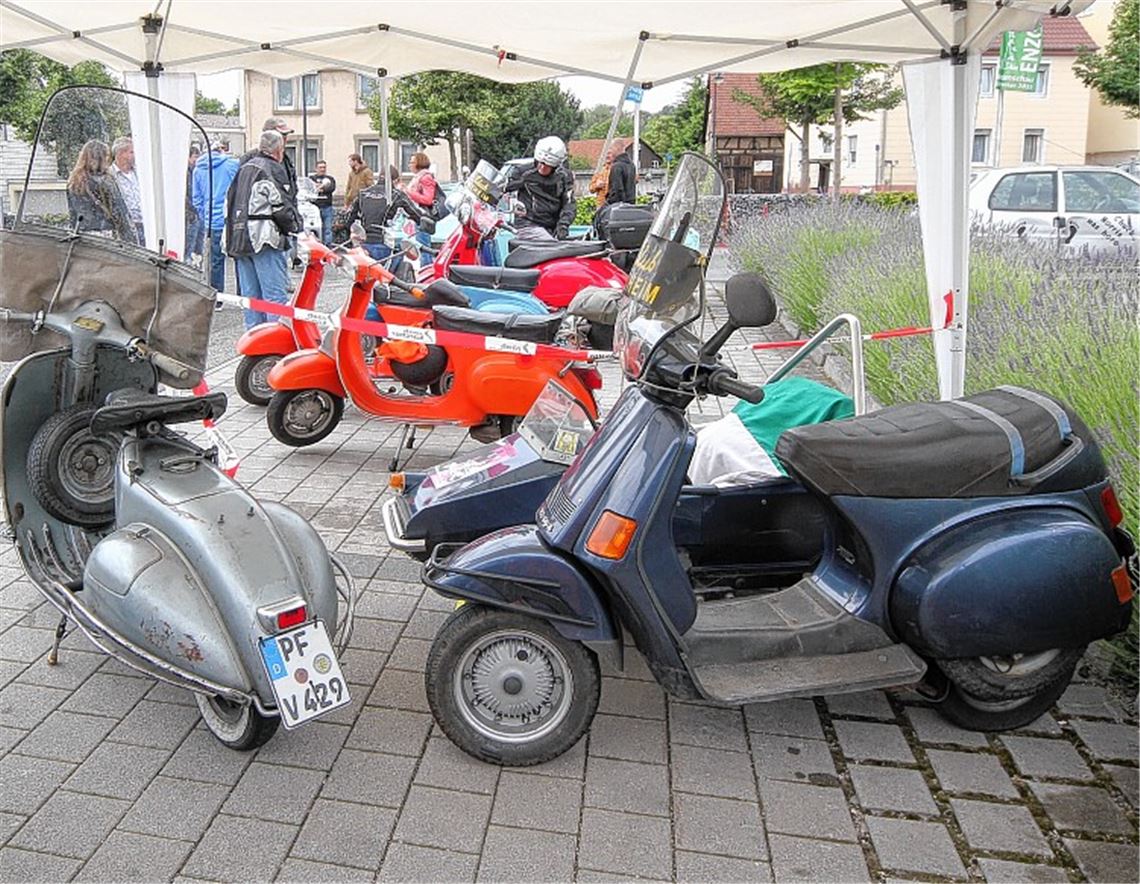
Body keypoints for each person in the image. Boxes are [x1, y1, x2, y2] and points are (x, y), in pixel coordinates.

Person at [225, 130, 301, 329]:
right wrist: (293, 228)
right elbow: (281, 205)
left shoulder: (243, 168)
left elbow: (229, 201)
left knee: (251, 299)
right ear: (278, 150)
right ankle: (276, 346)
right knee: (274, 297)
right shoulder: (271, 168)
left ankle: (254, 346)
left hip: (239, 239)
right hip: (264, 238)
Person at [503, 136, 575, 240]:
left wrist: (563, 225)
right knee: (551, 248)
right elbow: (501, 188)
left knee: (564, 251)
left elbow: (569, 203)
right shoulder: (523, 172)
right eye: (540, 163)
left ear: (555, 165)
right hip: (527, 225)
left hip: (552, 228)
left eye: (547, 165)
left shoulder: (564, 177)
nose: (542, 167)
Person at [66, 139, 137, 243]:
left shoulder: (74, 181)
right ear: (102, 158)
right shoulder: (106, 180)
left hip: (82, 237)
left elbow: (73, 213)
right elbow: (119, 211)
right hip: (106, 236)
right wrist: (130, 239)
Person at [193, 137, 240, 291]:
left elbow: (197, 198)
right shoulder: (233, 164)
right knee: (240, 258)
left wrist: (205, 215)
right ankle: (243, 295)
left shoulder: (198, 168)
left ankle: (217, 295)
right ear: (222, 150)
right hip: (232, 219)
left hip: (212, 221)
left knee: (215, 260)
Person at [110, 136, 145, 245]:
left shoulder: (139, 173)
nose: (135, 155)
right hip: (126, 227)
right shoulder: (110, 175)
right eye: (132, 152)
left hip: (145, 223)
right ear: (121, 153)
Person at [309, 159, 337, 246]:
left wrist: (320, 188)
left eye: (324, 167)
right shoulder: (311, 179)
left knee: (328, 229)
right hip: (314, 208)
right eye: (320, 167)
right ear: (316, 168)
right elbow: (309, 189)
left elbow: (331, 188)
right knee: (313, 228)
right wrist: (319, 188)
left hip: (327, 207)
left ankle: (328, 247)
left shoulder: (330, 179)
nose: (322, 169)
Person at [184, 143, 203, 262]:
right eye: (195, 156)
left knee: (197, 247)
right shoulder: (186, 173)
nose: (197, 160)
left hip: (196, 214)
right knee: (189, 247)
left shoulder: (195, 171)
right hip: (190, 215)